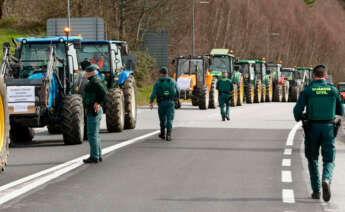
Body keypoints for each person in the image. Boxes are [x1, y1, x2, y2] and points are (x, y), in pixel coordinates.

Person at [293, 64, 344, 201]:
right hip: (329, 128)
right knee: (329, 158)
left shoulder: (308, 91)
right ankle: (326, 179)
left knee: (312, 159)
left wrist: (301, 117)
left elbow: (297, 111)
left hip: (312, 128)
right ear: (325, 76)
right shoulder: (333, 91)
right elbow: (341, 111)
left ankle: (316, 191)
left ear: (313, 76)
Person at [83, 64, 108, 163]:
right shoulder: (95, 81)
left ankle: (94, 156)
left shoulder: (95, 82)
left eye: (87, 72)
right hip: (95, 109)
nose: (85, 74)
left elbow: (104, 93)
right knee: (95, 134)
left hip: (93, 110)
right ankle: (98, 155)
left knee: (91, 134)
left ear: (90, 73)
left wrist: (98, 102)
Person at [150, 66, 179, 141]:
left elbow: (154, 93)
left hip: (161, 103)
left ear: (161, 73)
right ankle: (168, 135)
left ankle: (162, 134)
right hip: (170, 102)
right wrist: (177, 100)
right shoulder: (172, 81)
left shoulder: (158, 82)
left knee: (162, 119)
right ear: (167, 73)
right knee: (169, 118)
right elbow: (178, 91)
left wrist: (151, 102)